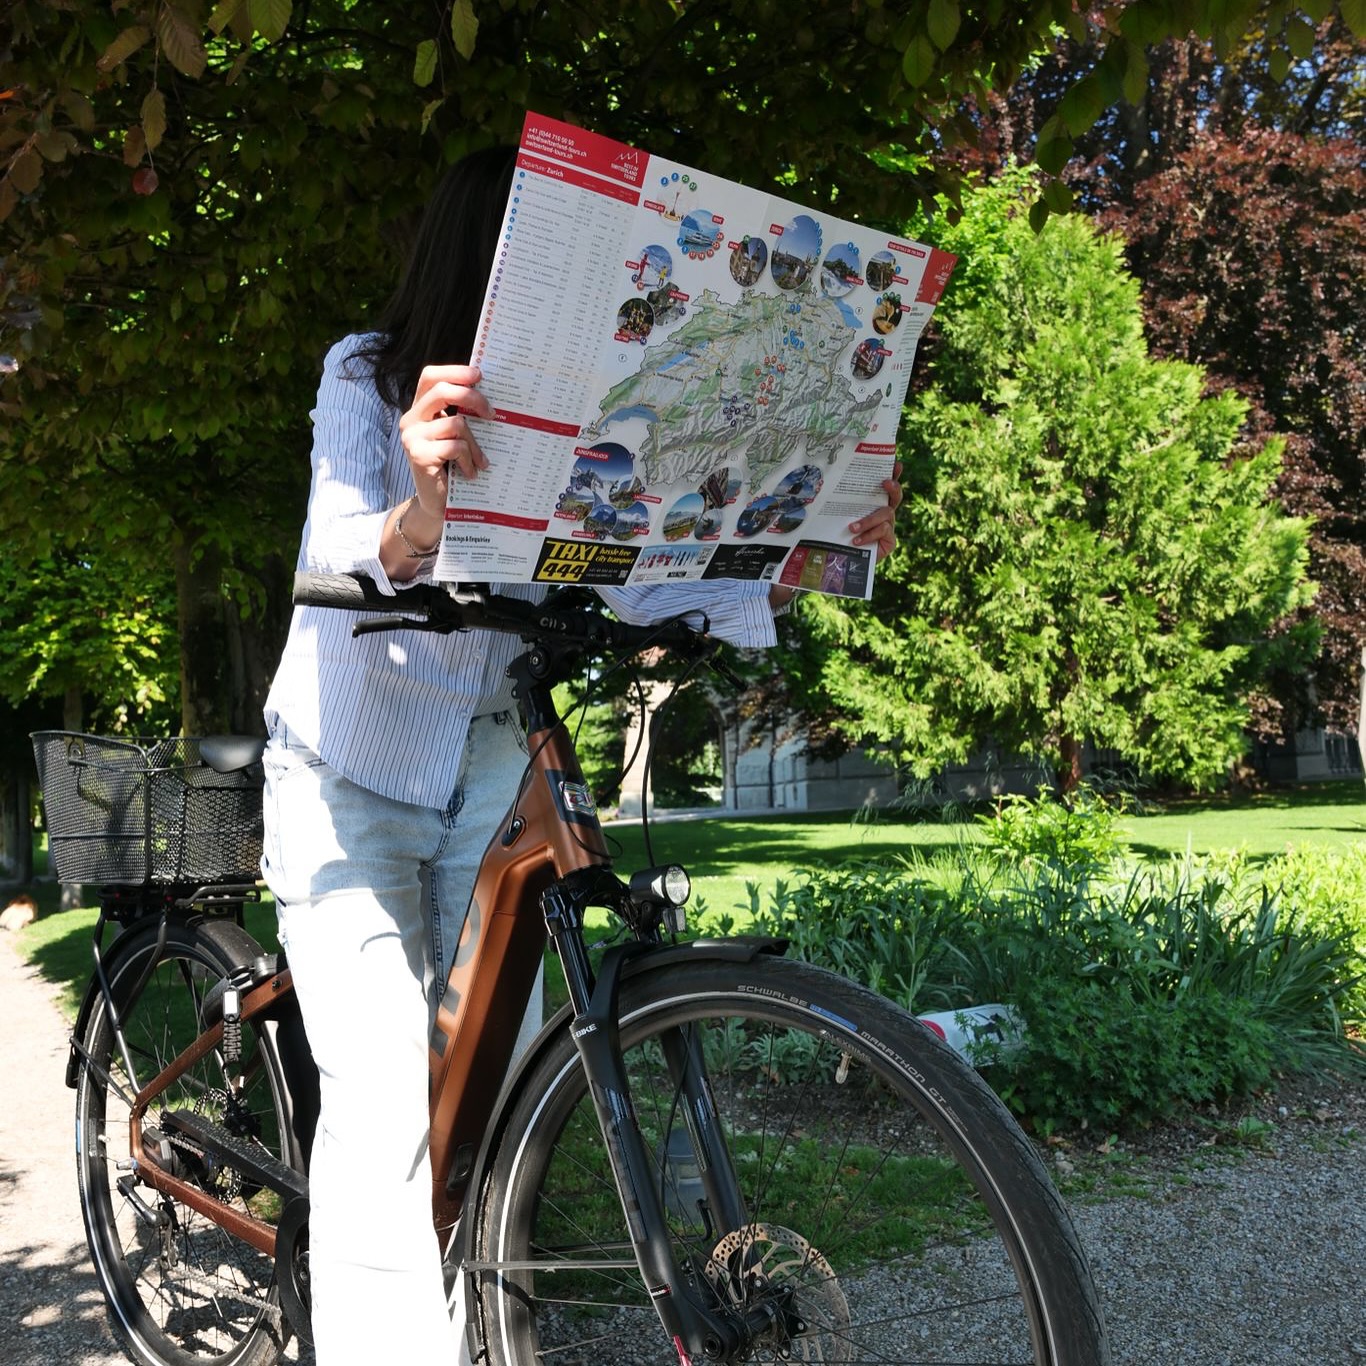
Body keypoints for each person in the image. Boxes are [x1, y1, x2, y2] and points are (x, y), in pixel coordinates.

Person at [259, 143, 904, 1365]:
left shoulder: (597, 408)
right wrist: (421, 507)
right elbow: (336, 545)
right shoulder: (368, 374)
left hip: (488, 765)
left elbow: (651, 578)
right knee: (386, 1109)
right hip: (349, 766)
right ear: (487, 267)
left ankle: (469, 1332)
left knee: (498, 1099)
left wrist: (814, 539)